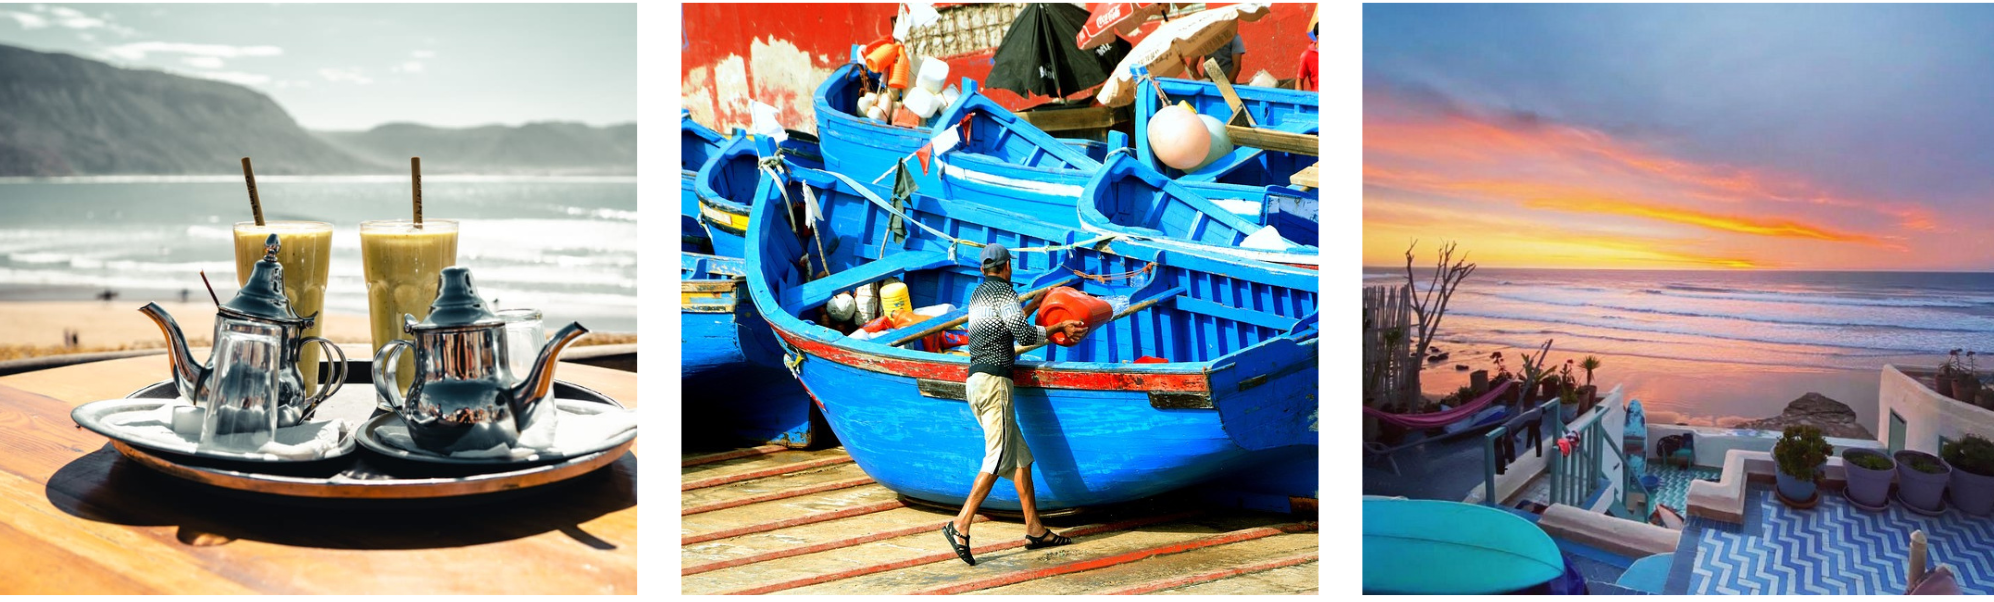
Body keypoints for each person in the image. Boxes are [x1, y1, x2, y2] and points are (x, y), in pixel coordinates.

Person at [941, 244, 1088, 566]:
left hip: (975, 384)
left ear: (984, 268)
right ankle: (960, 525)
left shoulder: (979, 294)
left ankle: (1035, 530)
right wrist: (1059, 328)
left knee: (1020, 459)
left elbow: (1002, 327)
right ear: (1007, 266)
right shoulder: (1006, 292)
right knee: (996, 458)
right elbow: (1022, 336)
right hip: (995, 385)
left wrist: (1034, 304)